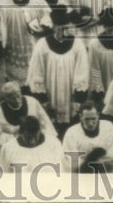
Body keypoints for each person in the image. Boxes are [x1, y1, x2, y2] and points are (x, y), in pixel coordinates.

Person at [25, 7, 90, 135]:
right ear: (53, 27)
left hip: (69, 94)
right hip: (50, 92)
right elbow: (37, 72)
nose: (63, 31)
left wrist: (78, 99)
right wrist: (42, 99)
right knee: (50, 126)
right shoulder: (42, 45)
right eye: (59, 28)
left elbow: (82, 72)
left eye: (66, 28)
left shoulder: (77, 44)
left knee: (71, 127)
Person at [0, 0, 51, 82]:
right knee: (15, 81)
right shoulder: (2, 4)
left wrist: (43, 28)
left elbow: (47, 16)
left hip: (34, 45)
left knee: (37, 78)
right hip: (13, 48)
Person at [0, 81, 55, 148]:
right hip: (12, 145)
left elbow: (46, 125)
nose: (17, 100)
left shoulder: (32, 102)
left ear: (20, 92)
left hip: (35, 143)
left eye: (18, 96)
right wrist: (15, 141)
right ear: (5, 98)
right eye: (12, 98)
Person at [62, 101, 113, 173]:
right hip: (83, 173)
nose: (90, 123)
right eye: (87, 119)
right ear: (80, 116)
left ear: (98, 115)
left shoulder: (108, 127)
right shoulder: (72, 132)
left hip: (106, 170)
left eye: (93, 119)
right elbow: (70, 160)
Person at [0, 114, 65, 173]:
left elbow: (62, 172)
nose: (32, 141)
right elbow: (3, 176)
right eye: (28, 138)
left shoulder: (53, 143)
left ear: (40, 131)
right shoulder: (8, 148)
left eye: (35, 137)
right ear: (20, 133)